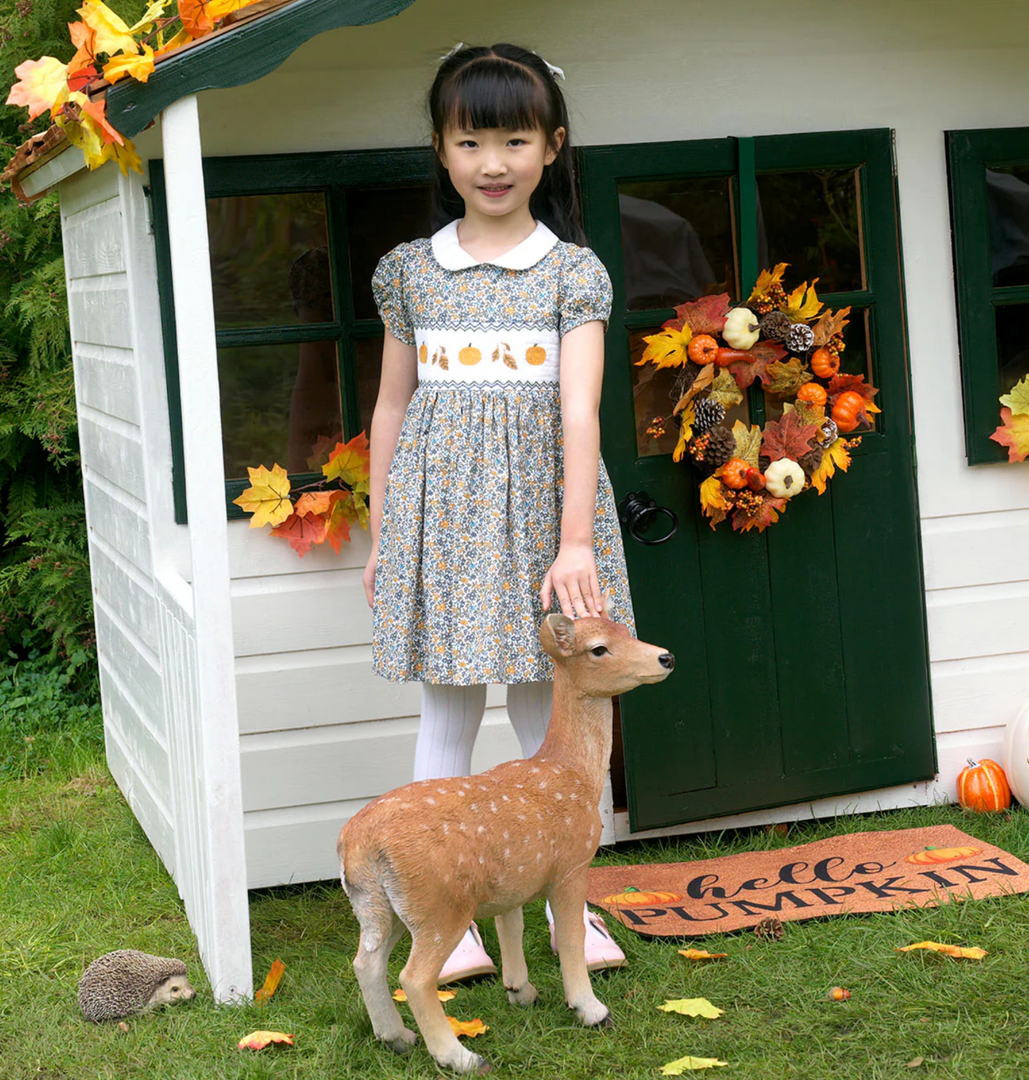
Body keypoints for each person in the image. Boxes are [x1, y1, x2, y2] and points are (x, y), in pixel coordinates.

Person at [363, 42, 635, 983]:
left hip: (542, 527)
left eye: (515, 138)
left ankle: (567, 907)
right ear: (441, 149)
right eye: (470, 139)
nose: (492, 161)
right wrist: (384, 529)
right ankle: (448, 911)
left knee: (545, 712)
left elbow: (579, 410)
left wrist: (573, 543)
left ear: (552, 146)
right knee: (447, 708)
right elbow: (392, 406)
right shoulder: (411, 272)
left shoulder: (572, 275)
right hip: (441, 523)